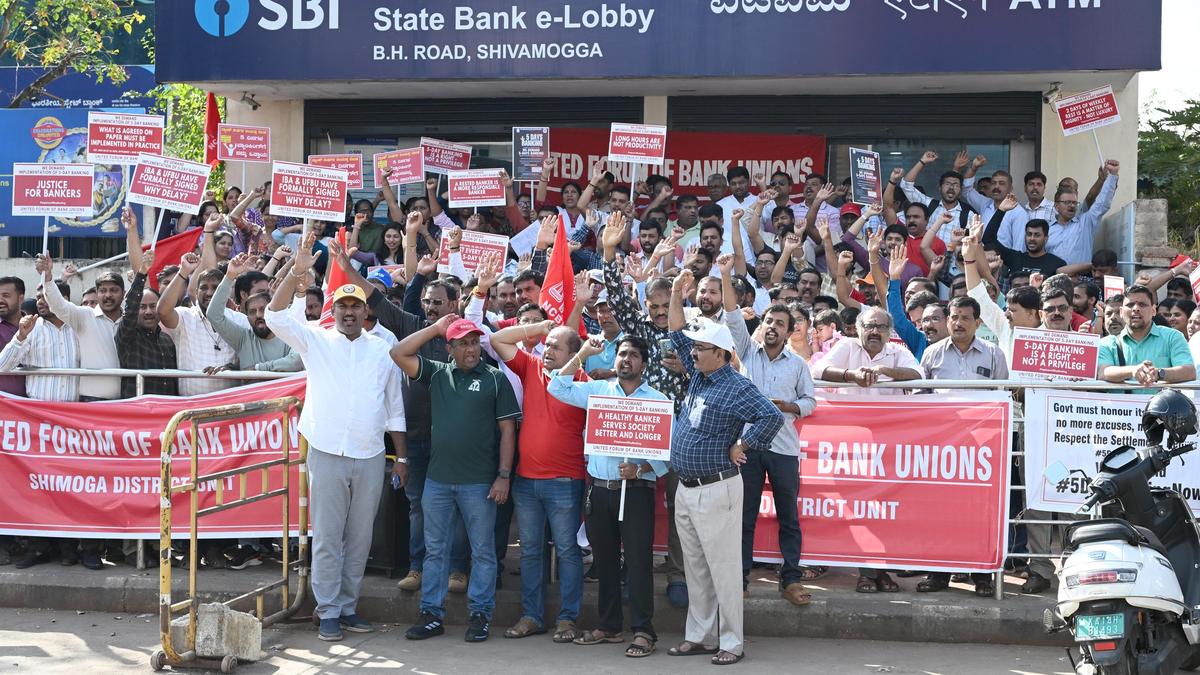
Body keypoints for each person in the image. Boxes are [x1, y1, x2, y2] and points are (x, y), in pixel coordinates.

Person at [264, 233, 407, 642]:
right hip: (326, 451)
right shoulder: (316, 340)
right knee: (327, 535)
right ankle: (327, 610)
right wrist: (296, 273)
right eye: (342, 306)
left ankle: (347, 607)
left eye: (355, 306)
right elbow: (275, 318)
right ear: (334, 310)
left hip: (369, 454)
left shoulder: (383, 349)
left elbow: (394, 409)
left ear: (365, 312)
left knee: (360, 538)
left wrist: (403, 458)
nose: (348, 312)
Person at [326, 235, 471, 595]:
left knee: (459, 508)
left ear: (454, 303)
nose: (431, 308)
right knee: (418, 506)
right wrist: (347, 270)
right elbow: (374, 299)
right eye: (426, 302)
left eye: (437, 303)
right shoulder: (410, 325)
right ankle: (418, 568)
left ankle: (457, 570)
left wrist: (478, 290)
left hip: (456, 439)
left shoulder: (468, 335)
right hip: (420, 437)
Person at [663, 279, 784, 665]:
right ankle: (699, 635)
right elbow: (675, 331)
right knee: (696, 567)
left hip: (717, 487)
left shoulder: (736, 384)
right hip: (687, 486)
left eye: (700, 349)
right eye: (695, 347)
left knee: (723, 569)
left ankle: (731, 642)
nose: (692, 353)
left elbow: (772, 416)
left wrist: (744, 446)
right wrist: (679, 292)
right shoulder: (701, 372)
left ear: (721, 353)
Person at [392, 314, 520, 644]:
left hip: (479, 483)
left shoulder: (494, 378)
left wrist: (504, 476)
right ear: (449, 348)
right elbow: (399, 353)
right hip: (437, 481)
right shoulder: (437, 373)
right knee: (435, 552)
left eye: (475, 342)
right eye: (462, 343)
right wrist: (435, 328)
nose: (471, 349)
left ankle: (480, 615)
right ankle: (431, 614)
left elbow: (508, 432)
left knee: (483, 552)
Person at [548, 335, 670, 658]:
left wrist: (643, 467)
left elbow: (665, 455)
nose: (625, 359)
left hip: (637, 493)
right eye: (621, 354)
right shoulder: (597, 391)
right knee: (604, 562)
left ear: (644, 363)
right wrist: (584, 354)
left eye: (632, 355)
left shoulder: (657, 399)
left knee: (639, 563)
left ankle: (644, 631)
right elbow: (556, 387)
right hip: (600, 490)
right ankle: (610, 626)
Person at [599, 211, 690, 609]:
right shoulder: (640, 333)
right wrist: (607, 250)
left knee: (677, 511)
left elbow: (717, 375)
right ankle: (624, 567)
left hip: (678, 434)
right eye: (652, 304)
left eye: (664, 304)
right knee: (628, 505)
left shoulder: (691, 335)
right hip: (635, 430)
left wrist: (688, 369)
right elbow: (619, 298)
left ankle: (677, 574)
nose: (656, 312)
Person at [716, 254, 816, 607]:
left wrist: (787, 407)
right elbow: (730, 315)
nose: (772, 326)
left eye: (780, 323)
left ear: (791, 332)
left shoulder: (800, 366)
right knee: (744, 517)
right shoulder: (747, 351)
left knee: (789, 517)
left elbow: (810, 402)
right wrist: (726, 274)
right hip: (748, 446)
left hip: (785, 448)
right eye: (769, 320)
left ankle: (789, 578)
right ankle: (741, 578)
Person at [489, 317, 589, 644]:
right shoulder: (531, 367)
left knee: (567, 551)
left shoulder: (583, 382)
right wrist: (537, 329)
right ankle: (532, 616)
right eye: (547, 346)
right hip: (526, 482)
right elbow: (499, 340)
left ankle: (567, 619)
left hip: (565, 482)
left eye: (556, 347)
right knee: (530, 552)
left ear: (574, 353)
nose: (547, 350)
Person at [916, 296, 1009, 597]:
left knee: (981, 512)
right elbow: (920, 397)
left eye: (965, 318)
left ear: (978, 323)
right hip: (942, 447)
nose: (957, 323)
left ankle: (981, 576)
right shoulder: (932, 354)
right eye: (954, 317)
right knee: (940, 511)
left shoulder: (994, 354)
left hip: (983, 448)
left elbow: (1002, 398)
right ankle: (938, 574)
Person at [156, 252, 236, 396]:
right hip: (191, 407)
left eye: (216, 287)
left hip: (231, 407)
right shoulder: (185, 316)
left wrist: (233, 367)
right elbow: (162, 311)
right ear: (195, 291)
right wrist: (183, 271)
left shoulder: (239, 320)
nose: (209, 293)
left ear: (226, 291)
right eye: (204, 287)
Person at [205, 253, 300, 375]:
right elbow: (213, 315)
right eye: (252, 312)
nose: (259, 315)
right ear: (247, 317)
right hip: (250, 394)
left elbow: (297, 361)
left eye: (262, 309)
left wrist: (257, 369)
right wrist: (229, 276)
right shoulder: (243, 338)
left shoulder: (288, 335)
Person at [1097, 285, 1196, 395]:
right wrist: (1133, 371)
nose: (1135, 308)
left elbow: (1189, 371)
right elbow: (1103, 372)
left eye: (1142, 305)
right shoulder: (1107, 343)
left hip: (1162, 409)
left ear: (1153, 310)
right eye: (1130, 305)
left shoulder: (1172, 337)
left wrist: (1158, 373)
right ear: (1121, 312)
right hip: (1121, 410)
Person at [116, 252, 178, 398]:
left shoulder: (167, 340)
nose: (148, 311)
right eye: (142, 307)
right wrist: (142, 273)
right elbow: (130, 309)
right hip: (138, 414)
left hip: (167, 412)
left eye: (152, 306)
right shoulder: (128, 336)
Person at [981, 197, 1067, 289]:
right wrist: (1001, 211)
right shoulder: (1015, 258)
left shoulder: (1057, 263)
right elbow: (988, 239)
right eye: (1029, 234)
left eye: (1037, 235)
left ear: (1046, 238)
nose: (1032, 238)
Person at [1046, 160, 1119, 266]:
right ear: (1056, 206)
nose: (1071, 205)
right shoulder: (1047, 229)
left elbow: (1102, 203)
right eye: (1067, 202)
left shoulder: (1086, 223)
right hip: (1053, 279)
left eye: (1074, 203)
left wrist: (1113, 175)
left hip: (1081, 279)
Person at [0, 276, 27, 398]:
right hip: (5, 408)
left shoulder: (38, 326)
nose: (0, 300)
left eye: (5, 295)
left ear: (20, 298)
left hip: (35, 405)